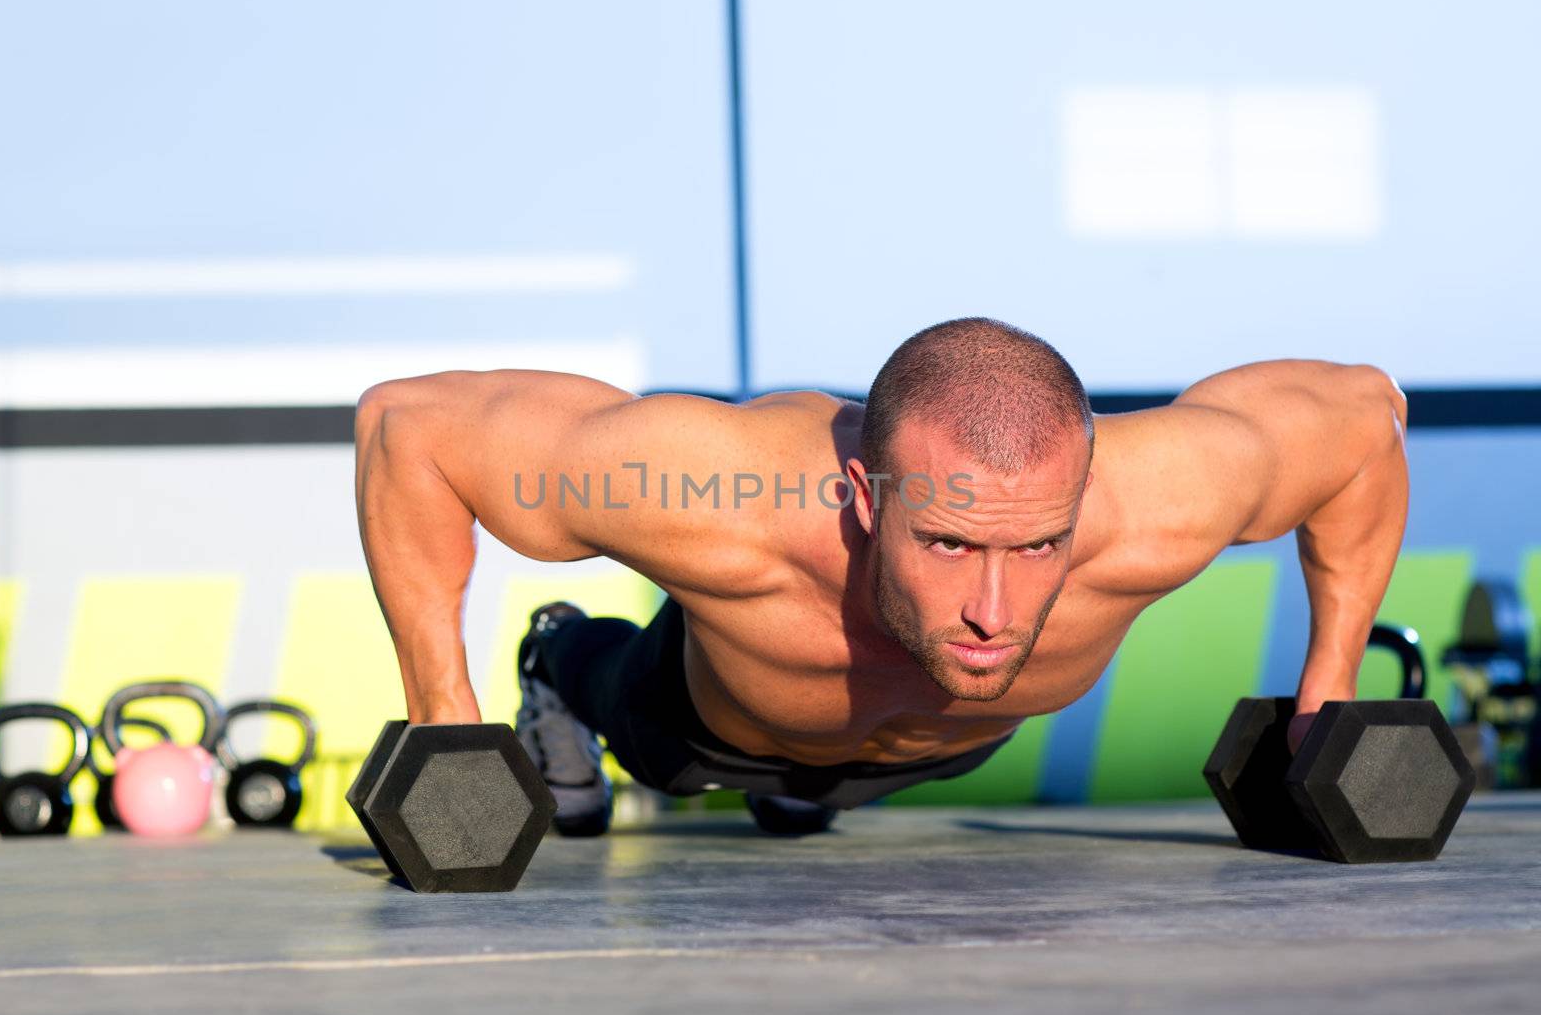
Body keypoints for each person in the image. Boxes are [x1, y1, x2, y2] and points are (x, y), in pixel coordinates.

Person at [353, 317, 1409, 835]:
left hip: (936, 750)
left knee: (822, 789)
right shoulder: (714, 492)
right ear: (866, 499)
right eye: (950, 543)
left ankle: (811, 790)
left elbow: (1361, 418)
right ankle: (558, 654)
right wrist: (443, 711)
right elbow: (410, 426)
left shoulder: (1164, 499)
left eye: (1036, 545)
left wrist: (1331, 688)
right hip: (701, 725)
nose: (994, 614)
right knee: (646, 725)